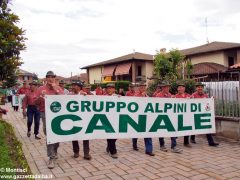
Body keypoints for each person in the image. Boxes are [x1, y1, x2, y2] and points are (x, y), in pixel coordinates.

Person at [35, 71, 64, 169]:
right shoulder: (40, 89)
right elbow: (35, 102)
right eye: (49, 77)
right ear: (46, 78)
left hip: (57, 113)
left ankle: (53, 153)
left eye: (52, 77)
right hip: (45, 113)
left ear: (55, 78)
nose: (50, 78)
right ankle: (51, 157)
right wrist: (40, 97)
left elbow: (64, 100)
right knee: (48, 133)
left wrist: (56, 89)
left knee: (56, 134)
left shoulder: (59, 88)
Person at [156, 81, 183, 153]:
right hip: (161, 115)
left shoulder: (170, 95)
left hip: (170, 116)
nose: (167, 88)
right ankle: (162, 145)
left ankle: (174, 146)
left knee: (172, 130)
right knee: (161, 131)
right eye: (165, 87)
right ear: (162, 88)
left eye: (168, 87)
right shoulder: (158, 95)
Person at [190, 82, 219, 147]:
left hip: (204, 114)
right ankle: (192, 138)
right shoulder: (193, 95)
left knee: (207, 127)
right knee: (194, 126)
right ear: (196, 88)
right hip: (195, 114)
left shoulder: (205, 96)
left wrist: (212, 99)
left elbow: (208, 104)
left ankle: (211, 142)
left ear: (202, 88)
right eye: (198, 87)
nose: (200, 88)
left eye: (201, 87)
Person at [70, 81, 92, 160]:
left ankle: (86, 153)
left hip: (84, 118)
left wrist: (85, 96)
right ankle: (76, 152)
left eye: (74, 85)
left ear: (79, 87)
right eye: (72, 85)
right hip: (74, 118)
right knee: (74, 136)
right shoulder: (69, 95)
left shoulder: (84, 94)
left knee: (85, 136)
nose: (73, 87)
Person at [133, 82, 155, 156]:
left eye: (144, 87)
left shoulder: (147, 96)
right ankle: (134, 144)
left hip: (146, 117)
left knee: (148, 133)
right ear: (139, 88)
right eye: (141, 87)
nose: (143, 88)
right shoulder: (136, 95)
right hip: (138, 117)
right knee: (136, 133)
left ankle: (149, 150)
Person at [172, 83, 191, 147]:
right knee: (175, 128)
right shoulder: (175, 96)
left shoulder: (188, 95)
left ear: (184, 88)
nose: (179, 89)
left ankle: (186, 142)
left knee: (187, 128)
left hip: (186, 115)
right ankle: (174, 142)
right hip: (177, 116)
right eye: (178, 88)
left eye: (181, 87)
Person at [105, 83, 118, 158]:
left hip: (115, 119)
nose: (109, 89)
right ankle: (113, 152)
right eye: (108, 88)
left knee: (115, 136)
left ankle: (109, 146)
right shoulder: (102, 97)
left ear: (114, 89)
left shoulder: (118, 97)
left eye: (111, 88)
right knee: (110, 135)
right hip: (106, 120)